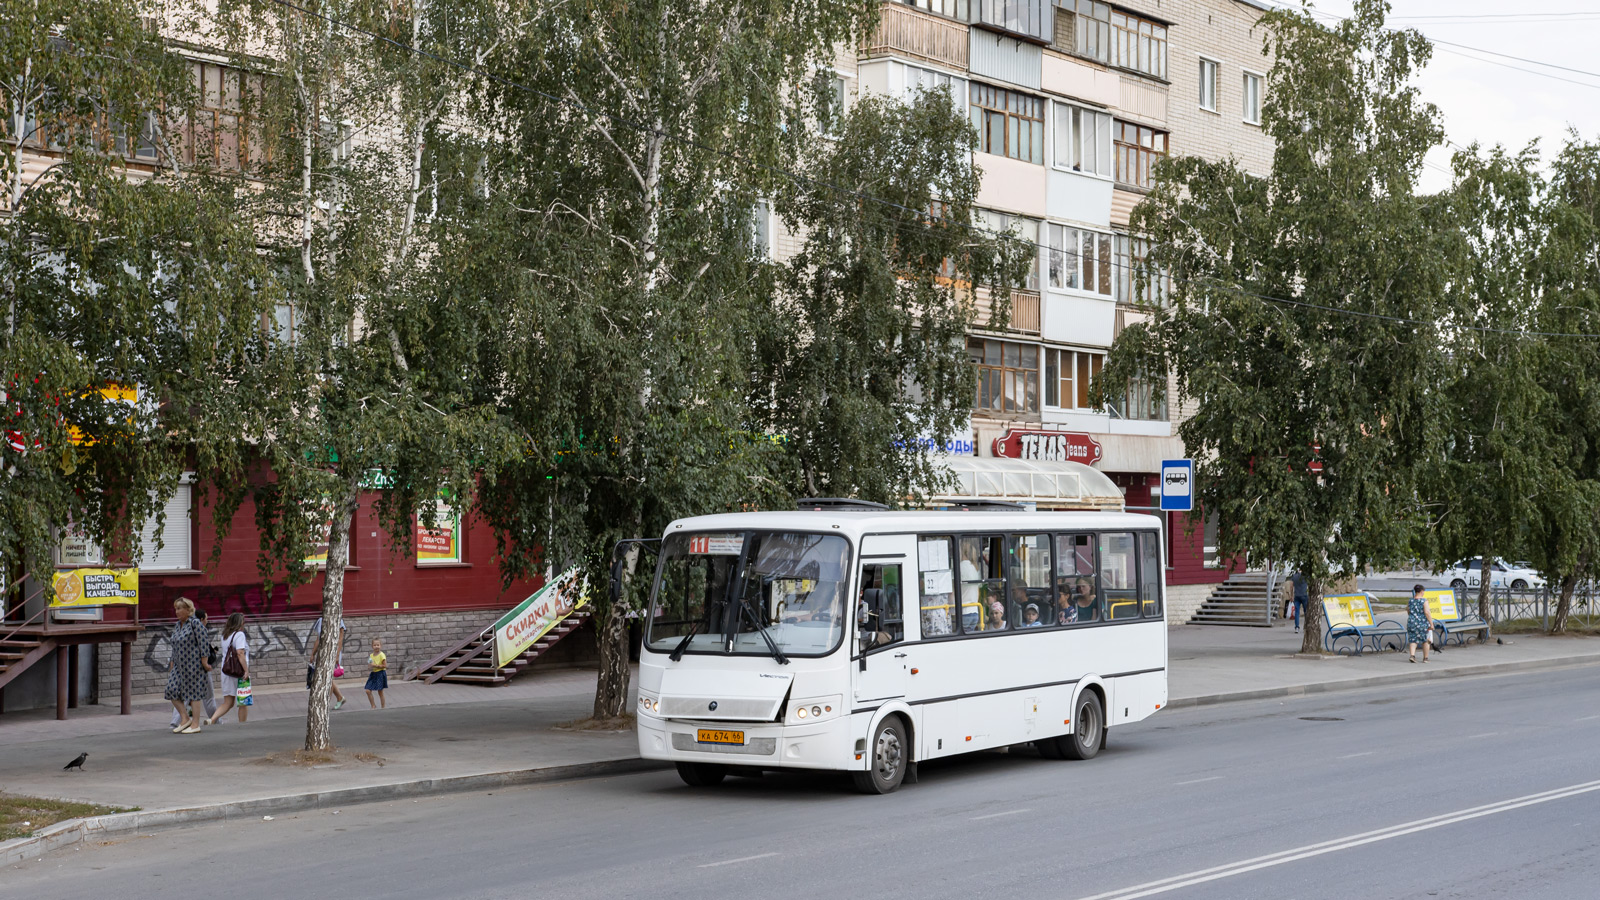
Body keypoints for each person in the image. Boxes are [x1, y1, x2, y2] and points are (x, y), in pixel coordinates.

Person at [164, 598, 211, 733]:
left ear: (188, 610)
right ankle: (185, 718)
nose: (177, 612)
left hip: (193, 665)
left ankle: (195, 724)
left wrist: (204, 662)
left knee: (194, 694)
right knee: (171, 690)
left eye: (179, 609)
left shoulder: (195, 624)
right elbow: (174, 646)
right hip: (179, 666)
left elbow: (204, 643)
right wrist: (172, 664)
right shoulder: (178, 625)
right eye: (176, 609)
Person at [208, 613, 251, 725]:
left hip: (226, 671)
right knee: (243, 702)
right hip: (239, 672)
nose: (244, 623)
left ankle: (211, 720)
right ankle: (242, 725)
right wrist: (246, 670)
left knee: (228, 702)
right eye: (243, 621)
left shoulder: (225, 635)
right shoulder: (240, 635)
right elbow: (240, 653)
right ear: (239, 622)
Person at [307, 614, 349, 709]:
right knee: (326, 677)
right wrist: (313, 654)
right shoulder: (321, 620)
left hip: (333, 653)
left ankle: (326, 703)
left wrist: (337, 655)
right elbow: (318, 639)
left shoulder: (337, 619)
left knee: (328, 678)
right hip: (322, 653)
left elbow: (340, 638)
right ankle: (339, 698)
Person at [1406, 583, 1433, 663]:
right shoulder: (1424, 601)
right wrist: (1431, 624)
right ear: (1421, 591)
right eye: (1423, 591)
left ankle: (1412, 656)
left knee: (1413, 640)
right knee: (1425, 640)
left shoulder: (1410, 601)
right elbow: (1427, 612)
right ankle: (1425, 658)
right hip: (1422, 623)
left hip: (1411, 622)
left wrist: (1412, 617)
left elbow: (1408, 610)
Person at [364, 637, 388, 709]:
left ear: (380, 646)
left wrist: (375, 665)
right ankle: (373, 705)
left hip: (380, 673)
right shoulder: (371, 655)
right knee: (368, 691)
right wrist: (370, 666)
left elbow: (385, 666)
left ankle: (383, 707)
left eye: (378, 645)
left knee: (380, 692)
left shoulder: (382, 655)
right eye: (375, 645)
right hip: (373, 674)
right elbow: (370, 664)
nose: (376, 646)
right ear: (372, 646)